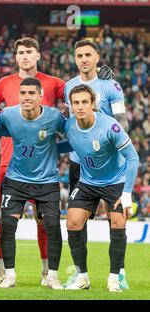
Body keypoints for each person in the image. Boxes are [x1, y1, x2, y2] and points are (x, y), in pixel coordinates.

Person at [0, 37, 114, 285]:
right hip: (9, 161)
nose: (24, 56)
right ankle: (3, 270)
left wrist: (100, 79)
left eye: (29, 52)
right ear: (15, 57)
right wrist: (4, 119)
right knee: (7, 220)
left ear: (38, 55)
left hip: (44, 165)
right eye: (20, 52)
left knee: (45, 222)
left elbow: (81, 96)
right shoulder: (4, 83)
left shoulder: (55, 84)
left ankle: (48, 271)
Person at [64, 39, 130, 289]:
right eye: (79, 55)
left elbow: (123, 122)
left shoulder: (111, 85)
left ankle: (118, 273)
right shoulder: (69, 86)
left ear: (97, 57)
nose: (83, 59)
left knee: (116, 220)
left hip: (109, 162)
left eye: (88, 55)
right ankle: (80, 274)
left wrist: (105, 140)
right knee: (76, 221)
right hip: (78, 163)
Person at [0, 77, 65, 289]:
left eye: (31, 93)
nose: (26, 97)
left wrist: (55, 149)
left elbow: (74, 134)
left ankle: (52, 276)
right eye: (23, 93)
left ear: (40, 95)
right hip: (15, 180)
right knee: (7, 225)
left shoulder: (54, 117)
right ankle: (10, 276)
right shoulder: (8, 115)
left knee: (52, 226)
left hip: (47, 181)